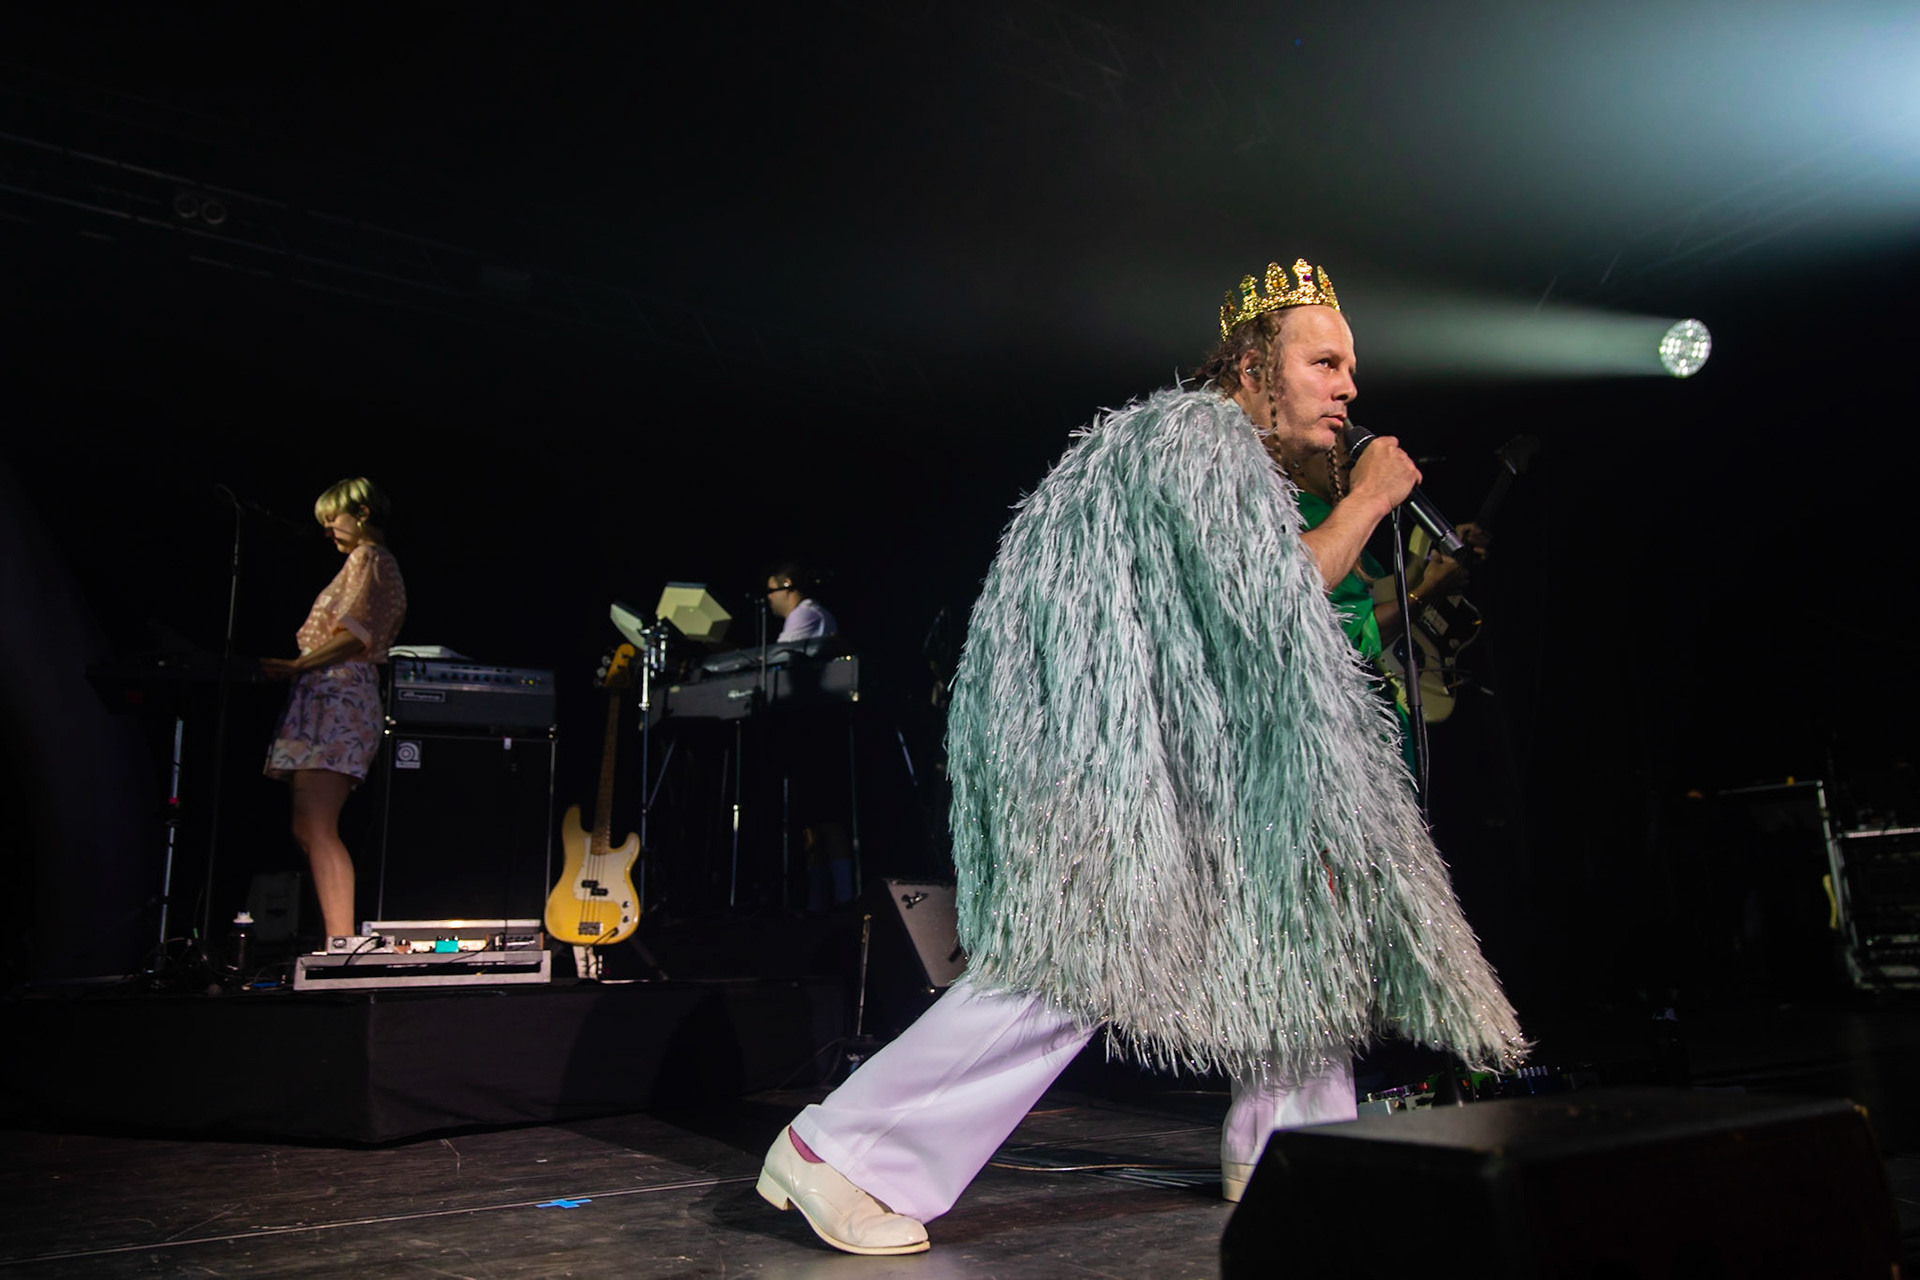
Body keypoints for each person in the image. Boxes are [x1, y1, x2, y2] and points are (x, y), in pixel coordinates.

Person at [754, 259, 1526, 1256]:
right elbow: (1269, 598)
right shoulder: (1195, 435)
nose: (1349, 387)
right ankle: (841, 1153)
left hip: (1168, 758)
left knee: (1298, 921)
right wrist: (1372, 499)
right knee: (1078, 962)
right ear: (1252, 369)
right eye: (1324, 362)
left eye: (1351, 367)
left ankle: (1295, 1146)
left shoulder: (1221, 459)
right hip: (1103, 762)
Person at [261, 477, 407, 943]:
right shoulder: (362, 564)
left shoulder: (370, 559)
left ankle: (342, 941)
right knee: (308, 823)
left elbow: (356, 634)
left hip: (339, 696)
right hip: (325, 695)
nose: (329, 532)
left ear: (362, 512)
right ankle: (339, 938)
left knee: (318, 822)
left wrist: (297, 664)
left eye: (333, 520)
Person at [766, 563, 837, 642]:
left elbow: (782, 652)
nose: (769, 596)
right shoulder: (810, 610)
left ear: (787, 584)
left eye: (771, 590)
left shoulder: (804, 613)